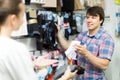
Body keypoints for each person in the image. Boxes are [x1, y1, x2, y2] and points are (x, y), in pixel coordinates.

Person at [0, 0, 77, 80]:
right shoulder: (16, 49)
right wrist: (65, 77)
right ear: (13, 19)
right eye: (22, 16)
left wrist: (32, 64)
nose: (23, 20)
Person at [55, 6, 115, 80]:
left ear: (101, 20)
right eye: (87, 17)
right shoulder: (82, 35)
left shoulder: (106, 39)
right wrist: (59, 33)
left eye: (93, 18)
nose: (89, 20)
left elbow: (104, 65)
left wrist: (86, 53)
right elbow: (66, 46)